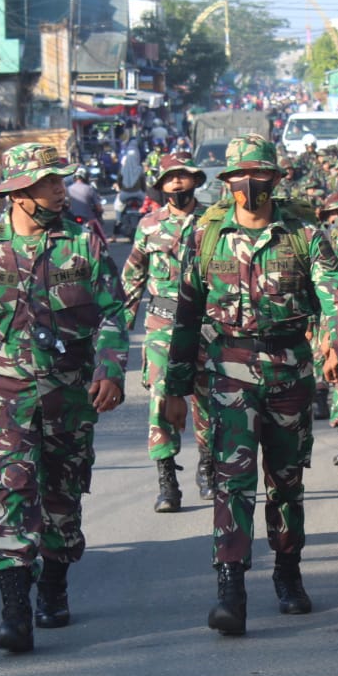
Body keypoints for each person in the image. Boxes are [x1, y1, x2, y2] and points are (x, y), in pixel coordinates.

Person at [161, 134, 338, 637]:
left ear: (276, 180)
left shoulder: (304, 236)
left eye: (260, 175)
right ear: (227, 184)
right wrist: (174, 388)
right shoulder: (203, 237)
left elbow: (335, 299)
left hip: (289, 368)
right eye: (239, 177)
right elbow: (185, 313)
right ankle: (230, 587)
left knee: (287, 480)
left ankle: (288, 572)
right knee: (232, 482)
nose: (249, 185)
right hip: (227, 370)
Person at [0, 142, 129, 654]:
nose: (61, 190)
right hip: (3, 397)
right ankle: (14, 612)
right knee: (10, 492)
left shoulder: (82, 245)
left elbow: (113, 314)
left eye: (61, 181)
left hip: (69, 395)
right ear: (19, 193)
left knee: (63, 498)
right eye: (50, 183)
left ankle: (54, 586)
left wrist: (109, 370)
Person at [120, 154, 212, 512]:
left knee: (208, 399)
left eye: (183, 177)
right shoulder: (148, 226)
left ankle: (208, 468)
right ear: (160, 186)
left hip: (207, 325)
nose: (176, 184)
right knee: (161, 401)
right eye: (170, 179)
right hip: (163, 326)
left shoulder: (214, 222)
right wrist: (119, 331)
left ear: (195, 181)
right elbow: (133, 278)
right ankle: (167, 479)